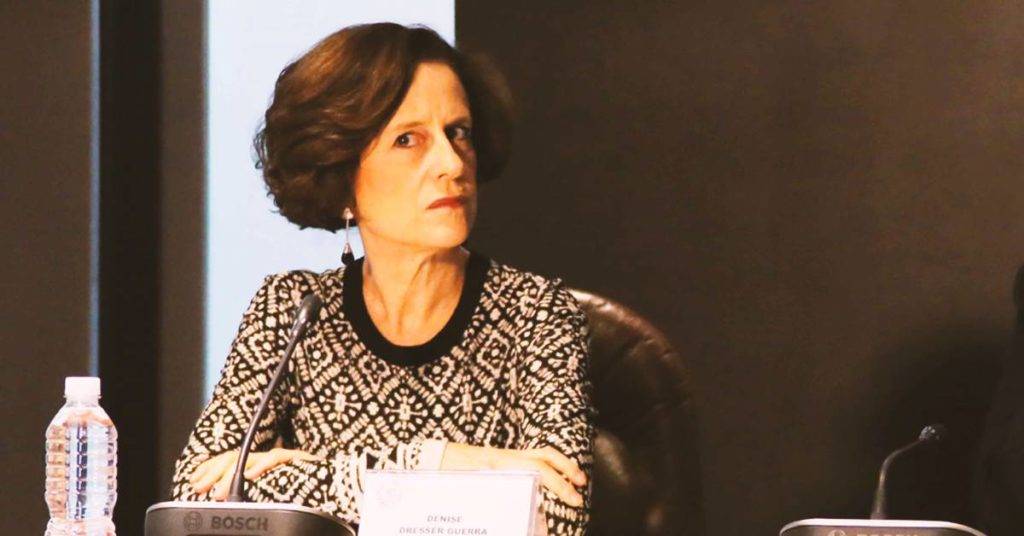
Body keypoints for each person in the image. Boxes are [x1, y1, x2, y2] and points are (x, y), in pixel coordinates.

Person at [170, 22, 595, 535]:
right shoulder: (293, 307)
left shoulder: (535, 311)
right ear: (340, 174)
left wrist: (312, 475)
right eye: (408, 140)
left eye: (458, 132)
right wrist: (442, 462)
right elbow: (200, 495)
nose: (451, 162)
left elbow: (560, 508)